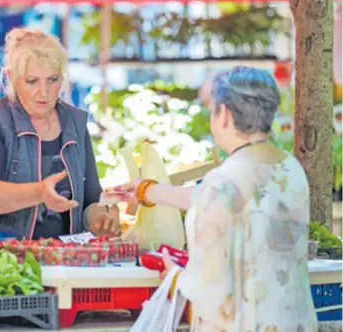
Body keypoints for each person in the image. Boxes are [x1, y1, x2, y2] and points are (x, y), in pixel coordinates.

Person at [112, 66, 317, 331]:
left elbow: (208, 284)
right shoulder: (290, 167)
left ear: (225, 115)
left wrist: (174, 275)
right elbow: (228, 199)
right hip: (293, 321)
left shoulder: (223, 180)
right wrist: (148, 190)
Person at [0, 28, 120, 240]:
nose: (44, 92)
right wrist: (40, 193)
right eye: (32, 81)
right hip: (0, 254)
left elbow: (91, 197)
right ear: (11, 77)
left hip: (62, 256)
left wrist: (99, 220)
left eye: (52, 80)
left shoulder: (76, 121)